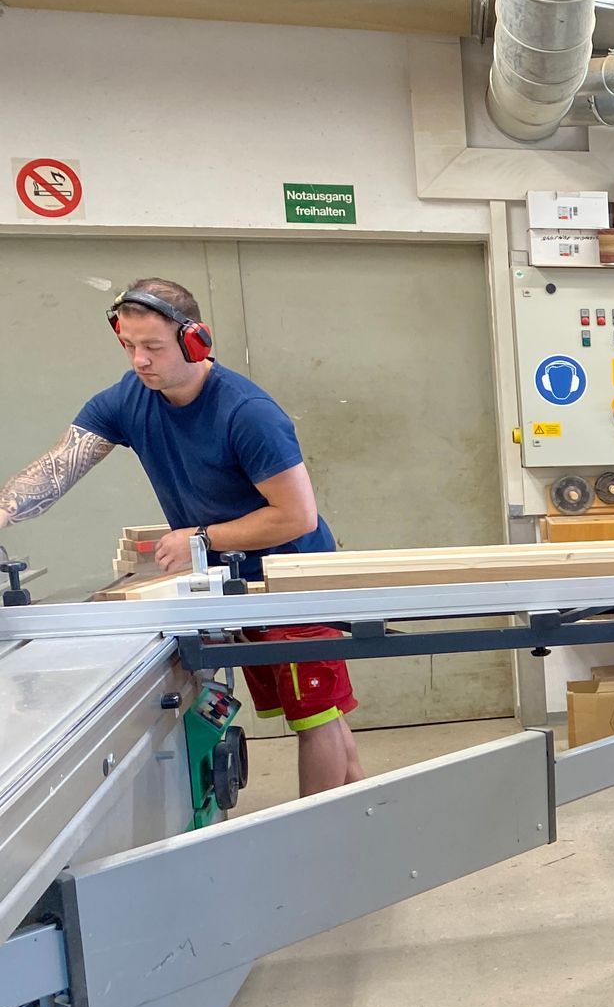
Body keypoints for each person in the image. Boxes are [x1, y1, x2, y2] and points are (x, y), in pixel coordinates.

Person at [0, 278, 364, 796]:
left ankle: (318, 837)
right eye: (128, 345)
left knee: (313, 719)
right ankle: (357, 820)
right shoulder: (128, 399)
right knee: (317, 712)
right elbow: (59, 469)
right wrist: (4, 508)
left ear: (194, 341)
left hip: (294, 582)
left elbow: (297, 516)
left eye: (152, 347)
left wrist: (200, 535)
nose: (139, 361)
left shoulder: (246, 412)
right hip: (237, 583)